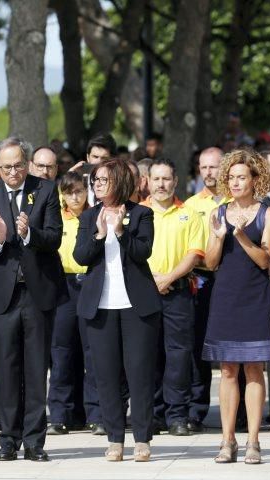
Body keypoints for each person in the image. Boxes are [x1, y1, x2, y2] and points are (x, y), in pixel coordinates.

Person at [0, 136, 66, 462]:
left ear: (27, 163)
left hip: (37, 292)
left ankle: (35, 442)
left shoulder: (44, 189)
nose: (13, 172)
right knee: (6, 368)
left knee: (36, 368)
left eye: (18, 166)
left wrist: (29, 233)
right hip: (2, 295)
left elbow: (54, 237)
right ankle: (8, 440)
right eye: (7, 167)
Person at [74, 159, 161, 462]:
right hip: (100, 306)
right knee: (107, 376)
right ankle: (114, 438)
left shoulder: (141, 214)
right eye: (95, 180)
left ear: (120, 182)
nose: (97, 185)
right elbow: (80, 256)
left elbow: (143, 252)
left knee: (139, 374)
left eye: (103, 180)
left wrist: (122, 231)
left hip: (136, 306)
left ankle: (142, 437)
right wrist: (99, 235)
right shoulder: (88, 217)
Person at [203, 150, 270, 464]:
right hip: (225, 298)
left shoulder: (267, 214)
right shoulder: (217, 213)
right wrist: (219, 238)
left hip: (254, 298)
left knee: (254, 369)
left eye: (242, 177)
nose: (235, 182)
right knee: (229, 370)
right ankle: (227, 440)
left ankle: (254, 442)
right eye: (231, 177)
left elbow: (265, 258)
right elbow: (209, 262)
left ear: (255, 180)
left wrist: (243, 236)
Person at [144, 159, 205, 437]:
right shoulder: (137, 212)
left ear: (175, 181)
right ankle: (153, 414)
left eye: (166, 179)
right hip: (144, 292)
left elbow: (194, 255)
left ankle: (177, 414)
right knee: (148, 354)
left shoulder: (189, 214)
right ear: (147, 181)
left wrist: (167, 279)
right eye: (156, 179)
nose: (161, 184)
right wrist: (152, 280)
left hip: (178, 292)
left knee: (178, 356)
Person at [48, 171, 99, 434]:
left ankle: (96, 413)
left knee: (93, 352)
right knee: (62, 351)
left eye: (79, 190)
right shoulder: (57, 219)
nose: (75, 197)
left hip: (90, 283)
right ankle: (60, 413)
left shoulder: (95, 217)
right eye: (69, 192)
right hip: (65, 286)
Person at [184, 146, 229, 430]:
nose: (209, 173)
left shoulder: (235, 200)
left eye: (214, 167)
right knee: (197, 345)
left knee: (230, 346)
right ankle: (196, 409)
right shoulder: (190, 205)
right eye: (204, 167)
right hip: (200, 278)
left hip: (229, 278)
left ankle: (236, 412)